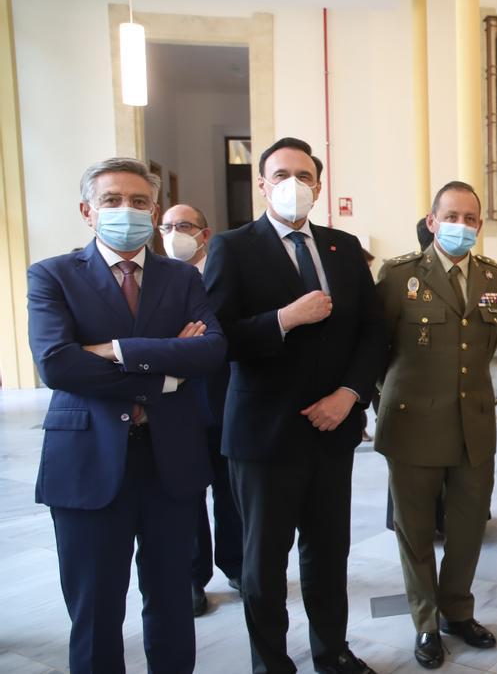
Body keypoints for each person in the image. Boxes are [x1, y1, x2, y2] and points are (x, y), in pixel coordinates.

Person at [27, 158, 227, 672]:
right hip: (88, 461)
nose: (126, 210)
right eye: (112, 200)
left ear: (153, 209)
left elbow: (210, 351)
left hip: (171, 462)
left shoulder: (181, 278)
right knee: (95, 610)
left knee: (172, 605)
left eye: (139, 202)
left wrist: (113, 349)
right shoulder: (53, 276)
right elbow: (57, 365)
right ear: (87, 211)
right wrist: (164, 367)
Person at [204, 137, 385, 674]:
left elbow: (373, 332)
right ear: (262, 184)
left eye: (304, 176)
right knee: (263, 562)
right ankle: (271, 663)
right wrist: (285, 318)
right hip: (263, 434)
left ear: (318, 185)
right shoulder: (233, 247)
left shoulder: (342, 246)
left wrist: (349, 396)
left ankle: (333, 652)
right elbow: (217, 338)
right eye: (281, 174)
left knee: (329, 555)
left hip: (333, 428)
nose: (293, 185)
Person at [375, 181, 497, 669]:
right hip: (412, 422)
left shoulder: (495, 277)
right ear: (432, 222)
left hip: (473, 422)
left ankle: (457, 610)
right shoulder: (398, 276)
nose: (462, 225)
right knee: (414, 531)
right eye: (451, 216)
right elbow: (378, 350)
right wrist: (385, 403)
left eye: (471, 218)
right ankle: (426, 621)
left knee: (469, 525)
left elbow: (485, 349)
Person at [160, 204, 243, 617]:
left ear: (204, 234)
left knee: (232, 491)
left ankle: (238, 566)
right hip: (176, 402)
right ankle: (193, 577)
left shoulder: (225, 271)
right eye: (169, 226)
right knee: (186, 493)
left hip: (226, 397)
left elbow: (224, 335)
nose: (176, 233)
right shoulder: (155, 278)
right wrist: (177, 343)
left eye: (185, 226)